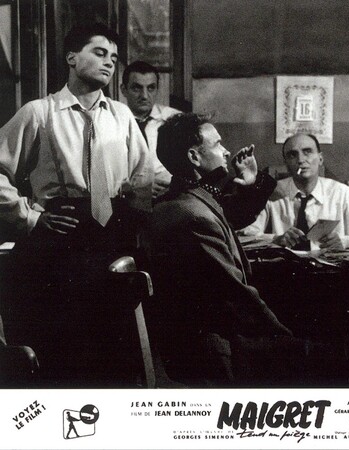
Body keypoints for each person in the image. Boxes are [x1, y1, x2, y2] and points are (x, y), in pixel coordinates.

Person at [0, 23, 153, 385]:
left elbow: (146, 176)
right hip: (60, 236)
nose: (109, 62)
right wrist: (30, 218)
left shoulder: (121, 116)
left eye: (114, 57)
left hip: (111, 235)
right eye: (100, 53)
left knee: (110, 355)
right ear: (71, 57)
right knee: (63, 353)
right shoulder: (39, 113)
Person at [149, 113, 317, 386]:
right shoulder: (192, 215)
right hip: (215, 351)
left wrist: (251, 181)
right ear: (194, 157)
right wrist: (283, 335)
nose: (226, 151)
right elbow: (237, 295)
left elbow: (229, 217)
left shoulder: (185, 198)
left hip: (209, 339)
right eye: (217, 144)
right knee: (319, 354)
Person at [240, 133, 349, 252]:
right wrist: (276, 239)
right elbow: (243, 236)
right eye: (292, 155)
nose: (300, 160)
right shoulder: (270, 194)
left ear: (320, 159)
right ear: (286, 163)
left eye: (307, 152)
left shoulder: (342, 194)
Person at [120, 60, 181, 199]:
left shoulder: (174, 119)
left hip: (171, 197)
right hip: (129, 199)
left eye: (151, 88)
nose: (144, 96)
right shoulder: (112, 122)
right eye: (136, 88)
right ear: (123, 90)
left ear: (157, 89)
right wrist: (137, 187)